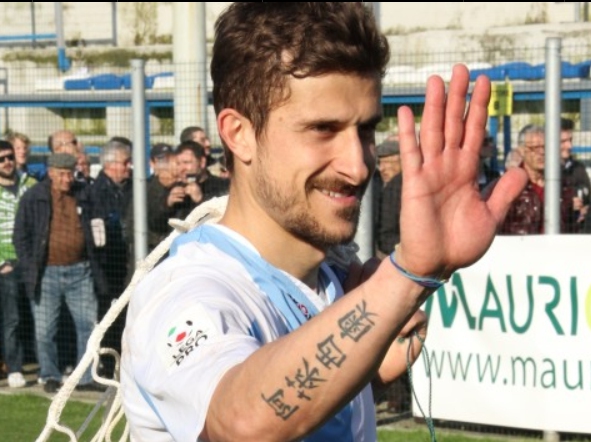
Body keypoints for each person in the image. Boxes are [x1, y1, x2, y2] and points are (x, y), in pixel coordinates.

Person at [120, 3, 527, 441]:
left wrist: (368, 368)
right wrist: (406, 277)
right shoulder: (188, 289)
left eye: (365, 130)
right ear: (240, 134)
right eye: (323, 130)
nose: (357, 165)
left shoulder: (330, 280)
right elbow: (241, 424)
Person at [13, 153, 103, 393]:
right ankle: (50, 374)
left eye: (70, 173)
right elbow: (20, 236)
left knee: (88, 326)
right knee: (44, 331)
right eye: (62, 174)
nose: (67, 179)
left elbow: (97, 223)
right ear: (51, 173)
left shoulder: (84, 193)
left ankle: (86, 377)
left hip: (81, 271)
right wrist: (30, 265)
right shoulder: (34, 197)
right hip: (46, 273)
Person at [86, 139, 133, 378]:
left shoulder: (131, 187)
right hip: (106, 264)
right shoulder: (95, 192)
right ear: (110, 164)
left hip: (126, 262)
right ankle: (106, 363)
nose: (128, 167)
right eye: (125, 162)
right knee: (108, 315)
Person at [0, 140, 37, 388]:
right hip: (7, 264)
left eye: (10, 157)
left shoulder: (30, 184)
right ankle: (14, 367)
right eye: (1, 159)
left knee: (38, 316)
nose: (7, 162)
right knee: (11, 319)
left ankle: (48, 366)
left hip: (32, 261)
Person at [498, 124, 578, 235]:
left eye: (545, 147)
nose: (542, 152)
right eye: (535, 148)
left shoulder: (563, 185)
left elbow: (571, 226)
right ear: (522, 150)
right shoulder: (508, 186)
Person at [174, 140, 229, 219]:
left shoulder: (222, 186)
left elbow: (224, 217)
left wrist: (200, 199)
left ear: (202, 162)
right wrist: (167, 204)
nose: (182, 168)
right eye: (178, 163)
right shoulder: (174, 188)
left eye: (186, 162)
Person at [560, 117, 591, 230]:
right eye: (563, 142)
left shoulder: (578, 168)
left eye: (570, 140)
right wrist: (566, 205)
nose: (569, 146)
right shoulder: (541, 172)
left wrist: (586, 210)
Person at [374, 140, 403, 259]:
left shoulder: (396, 186)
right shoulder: (379, 185)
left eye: (386, 162)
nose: (381, 168)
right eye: (379, 163)